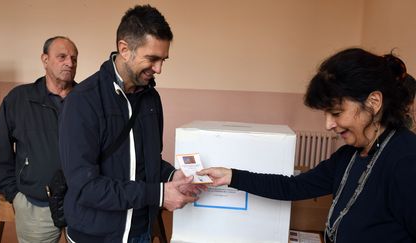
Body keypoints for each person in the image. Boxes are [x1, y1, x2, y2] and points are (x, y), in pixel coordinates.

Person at [199, 48, 416, 243]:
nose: (328, 124)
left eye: (337, 113)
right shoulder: (348, 156)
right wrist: (231, 176)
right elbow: (292, 187)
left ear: (374, 102)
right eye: (326, 113)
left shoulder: (406, 161)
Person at [58, 5, 202, 243]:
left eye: (163, 60)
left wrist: (172, 176)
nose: (159, 69)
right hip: (94, 236)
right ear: (124, 49)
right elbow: (85, 187)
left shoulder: (151, 99)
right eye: (152, 59)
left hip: (140, 232)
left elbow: (147, 161)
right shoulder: (82, 101)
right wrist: (157, 194)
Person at [0, 36, 78, 242]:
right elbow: (0, 150)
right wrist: (14, 195)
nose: (70, 63)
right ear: (45, 59)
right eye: (62, 57)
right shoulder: (18, 99)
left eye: (74, 58)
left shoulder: (86, 100)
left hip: (81, 204)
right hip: (35, 207)